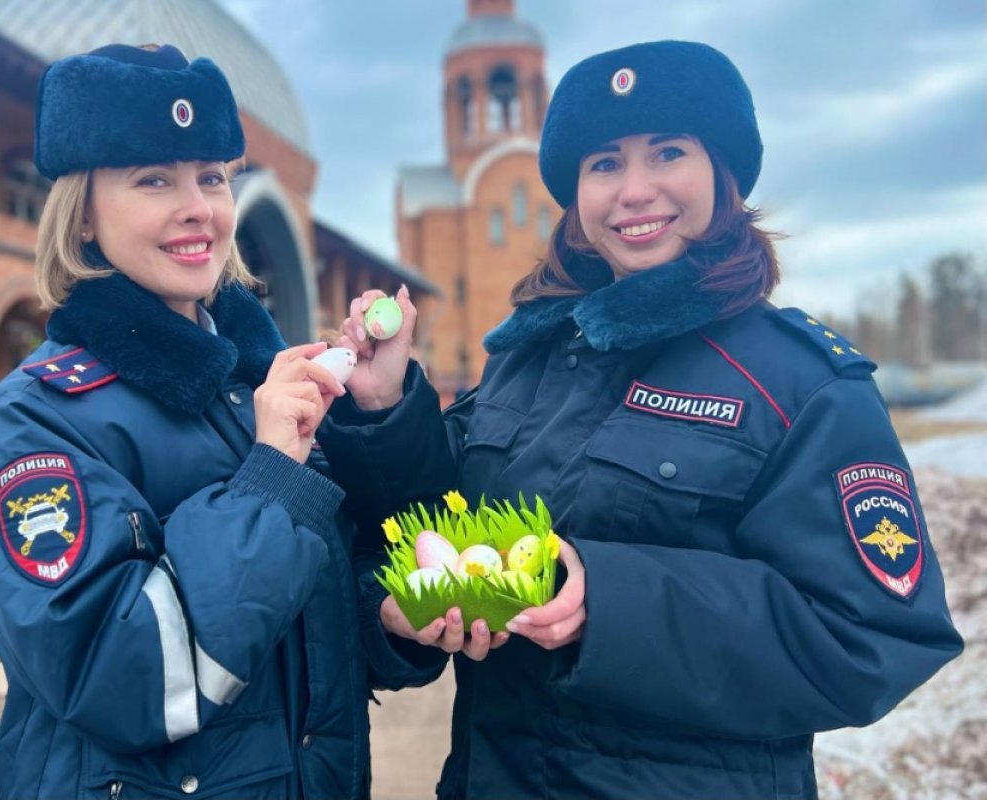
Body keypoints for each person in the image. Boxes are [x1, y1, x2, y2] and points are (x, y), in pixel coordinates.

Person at [318, 40, 964, 799]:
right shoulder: (532, 359)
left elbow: (872, 636)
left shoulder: (800, 382)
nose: (633, 190)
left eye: (666, 153)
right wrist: (385, 402)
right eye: (604, 165)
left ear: (723, 175)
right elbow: (438, 525)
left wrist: (607, 599)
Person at [0, 43, 439, 800]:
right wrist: (271, 476)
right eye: (153, 179)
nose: (199, 208)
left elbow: (301, 617)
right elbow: (124, 678)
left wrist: (386, 613)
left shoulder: (249, 383)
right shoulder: (34, 421)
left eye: (212, 177)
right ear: (81, 215)